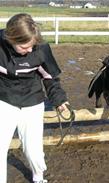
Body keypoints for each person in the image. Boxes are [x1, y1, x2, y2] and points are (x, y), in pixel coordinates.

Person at [0, 13, 71, 183]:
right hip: (4, 99)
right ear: (12, 39)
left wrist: (59, 99)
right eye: (25, 47)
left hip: (32, 99)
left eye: (32, 46)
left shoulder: (40, 48)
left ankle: (39, 177)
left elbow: (49, 77)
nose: (30, 50)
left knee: (33, 150)